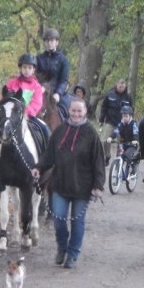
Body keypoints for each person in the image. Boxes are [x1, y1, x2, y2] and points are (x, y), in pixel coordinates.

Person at [31, 96, 105, 269]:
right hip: (60, 184)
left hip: (82, 187)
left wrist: (98, 186)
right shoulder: (60, 130)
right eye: (73, 110)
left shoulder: (91, 134)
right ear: (69, 111)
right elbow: (49, 155)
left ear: (85, 112)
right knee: (58, 220)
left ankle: (72, 254)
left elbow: (98, 162)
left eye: (79, 111)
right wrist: (38, 167)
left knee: (77, 223)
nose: (76, 114)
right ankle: (62, 248)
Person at [0, 53, 49, 165]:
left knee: (44, 128)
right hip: (11, 116)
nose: (27, 70)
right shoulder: (12, 83)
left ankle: (47, 156)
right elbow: (3, 99)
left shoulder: (36, 87)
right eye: (24, 67)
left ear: (33, 70)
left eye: (29, 68)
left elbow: (37, 103)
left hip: (28, 116)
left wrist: (25, 112)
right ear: (20, 68)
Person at [99, 78, 133, 166]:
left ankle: (118, 161)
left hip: (122, 124)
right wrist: (101, 119)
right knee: (105, 140)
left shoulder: (128, 97)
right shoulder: (110, 94)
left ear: (125, 87)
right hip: (110, 121)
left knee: (121, 143)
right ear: (117, 85)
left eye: (123, 86)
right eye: (120, 86)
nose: (121, 88)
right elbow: (104, 107)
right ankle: (107, 156)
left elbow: (131, 110)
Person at [36, 28, 70, 116]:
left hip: (57, 92)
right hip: (41, 91)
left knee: (68, 108)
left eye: (52, 40)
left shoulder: (63, 60)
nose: (49, 43)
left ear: (56, 42)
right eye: (47, 41)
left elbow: (64, 80)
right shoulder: (39, 58)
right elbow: (35, 77)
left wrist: (58, 93)